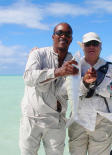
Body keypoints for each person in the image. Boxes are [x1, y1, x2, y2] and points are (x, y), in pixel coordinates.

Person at [19, 22, 79, 155]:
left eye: (67, 34)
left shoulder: (74, 62)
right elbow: (28, 78)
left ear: (71, 39)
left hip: (57, 121)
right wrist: (58, 72)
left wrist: (85, 82)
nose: (63, 36)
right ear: (53, 36)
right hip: (32, 118)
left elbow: (73, 93)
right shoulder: (38, 54)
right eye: (60, 33)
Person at [68, 32, 112, 155]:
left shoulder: (110, 68)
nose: (91, 47)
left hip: (103, 121)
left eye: (95, 44)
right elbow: (68, 92)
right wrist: (84, 82)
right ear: (83, 47)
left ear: (100, 47)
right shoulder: (74, 66)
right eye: (88, 44)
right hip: (78, 120)